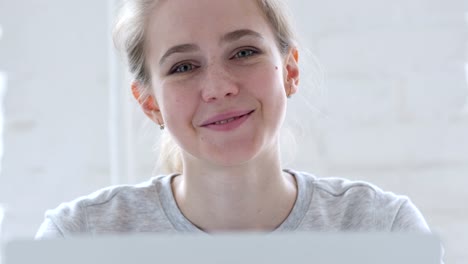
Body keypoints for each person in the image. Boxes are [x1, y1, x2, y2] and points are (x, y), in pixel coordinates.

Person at [36, 0, 431, 238]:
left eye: (243, 53)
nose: (219, 87)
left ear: (290, 71)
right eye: (184, 66)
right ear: (149, 103)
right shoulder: (76, 238)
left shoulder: (382, 227)